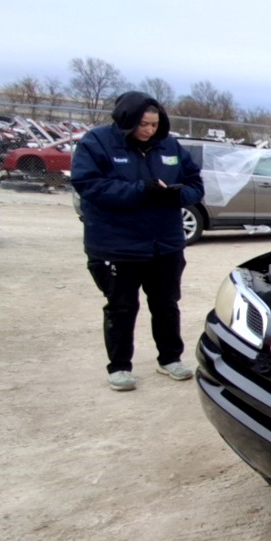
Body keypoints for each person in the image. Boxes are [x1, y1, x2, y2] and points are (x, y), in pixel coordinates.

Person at [71, 92, 205, 391]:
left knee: (166, 304)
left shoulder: (169, 145)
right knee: (122, 307)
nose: (149, 130)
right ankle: (119, 367)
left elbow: (195, 183)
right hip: (117, 245)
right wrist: (139, 190)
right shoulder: (97, 143)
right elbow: (88, 185)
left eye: (155, 124)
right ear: (127, 120)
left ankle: (170, 359)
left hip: (165, 243)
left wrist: (177, 195)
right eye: (143, 124)